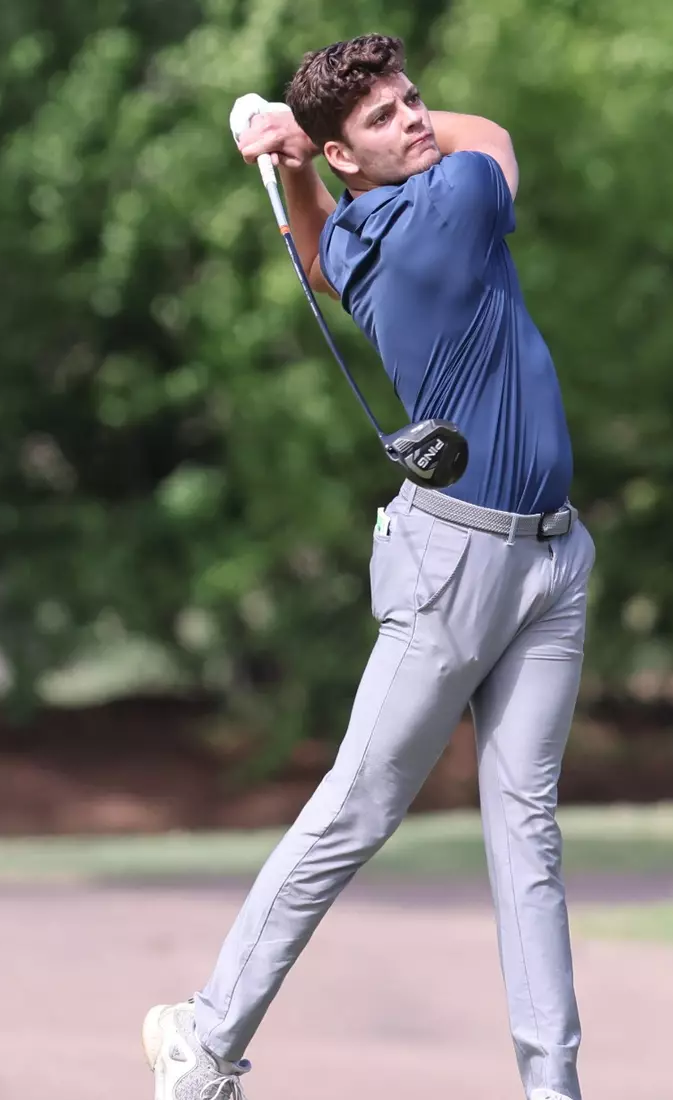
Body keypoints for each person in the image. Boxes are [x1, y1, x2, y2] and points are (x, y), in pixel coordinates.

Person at [143, 32, 595, 1100]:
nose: (417, 121)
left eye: (413, 99)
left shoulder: (361, 231)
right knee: (356, 806)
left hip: (549, 561)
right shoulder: (453, 203)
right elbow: (496, 136)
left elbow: (313, 258)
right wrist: (309, 144)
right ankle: (202, 1043)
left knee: (525, 827)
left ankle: (553, 1087)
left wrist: (298, 160)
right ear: (352, 158)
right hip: (452, 568)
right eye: (384, 118)